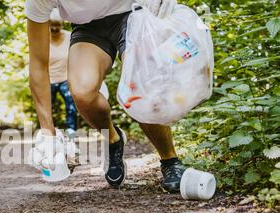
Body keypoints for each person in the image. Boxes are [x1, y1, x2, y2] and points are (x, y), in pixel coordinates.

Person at [25, 0, 186, 192]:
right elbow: (37, 65)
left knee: (140, 83)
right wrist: (48, 133)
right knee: (81, 92)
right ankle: (113, 139)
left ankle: (170, 160)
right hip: (88, 28)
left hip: (133, 14)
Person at [48, 9, 77, 140]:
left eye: (57, 26)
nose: (54, 29)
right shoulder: (42, 38)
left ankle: (71, 131)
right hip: (49, 79)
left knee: (71, 102)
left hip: (66, 77)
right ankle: (49, 132)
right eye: (51, 26)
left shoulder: (70, 36)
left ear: (62, 25)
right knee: (48, 106)